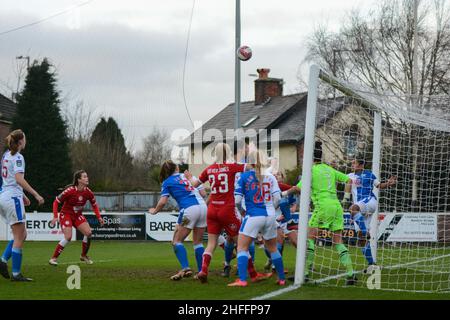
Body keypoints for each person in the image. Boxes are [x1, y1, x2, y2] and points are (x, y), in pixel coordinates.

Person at [185, 142, 267, 283]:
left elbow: (194, 185)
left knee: (211, 243)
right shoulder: (231, 167)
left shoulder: (209, 169)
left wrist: (188, 181)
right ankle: (253, 274)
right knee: (241, 244)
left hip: (212, 210)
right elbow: (250, 167)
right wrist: (254, 155)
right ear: (228, 152)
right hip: (227, 209)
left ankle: (204, 270)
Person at [283, 141, 357, 285]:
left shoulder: (311, 171)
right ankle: (350, 273)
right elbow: (349, 180)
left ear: (310, 158)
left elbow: (298, 188)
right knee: (338, 242)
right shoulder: (330, 169)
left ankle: (305, 273)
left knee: (309, 239)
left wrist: (283, 193)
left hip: (322, 207)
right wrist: (346, 199)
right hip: (337, 206)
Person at [228, 150, 286, 287]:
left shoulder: (244, 176)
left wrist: (242, 211)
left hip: (253, 215)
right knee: (273, 248)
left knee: (242, 247)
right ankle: (282, 279)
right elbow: (278, 198)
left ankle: (242, 280)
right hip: (270, 216)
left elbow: (237, 200)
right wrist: (272, 208)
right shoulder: (271, 177)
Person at [149, 160, 207, 280]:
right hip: (203, 208)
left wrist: (154, 211)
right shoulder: (188, 176)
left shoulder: (167, 182)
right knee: (198, 242)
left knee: (176, 241)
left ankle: (185, 268)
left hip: (189, 209)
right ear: (176, 168)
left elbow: (163, 201)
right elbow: (203, 193)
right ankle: (202, 271)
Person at [0, 129, 44, 281]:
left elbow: (9, 180)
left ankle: (3, 261)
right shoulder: (18, 157)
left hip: (5, 196)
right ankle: (16, 274)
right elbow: (18, 178)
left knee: (22, 234)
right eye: (24, 139)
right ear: (20, 142)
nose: (26, 141)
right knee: (19, 236)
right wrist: (34, 193)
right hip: (12, 199)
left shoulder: (6, 155)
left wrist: (23, 195)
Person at [342, 158, 397, 272]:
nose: (352, 165)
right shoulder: (350, 176)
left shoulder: (369, 174)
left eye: (354, 163)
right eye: (352, 163)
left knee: (353, 208)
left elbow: (379, 185)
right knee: (361, 239)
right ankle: (372, 264)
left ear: (361, 165)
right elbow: (345, 182)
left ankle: (364, 230)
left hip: (369, 202)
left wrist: (389, 183)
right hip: (360, 210)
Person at [49, 170, 104, 266]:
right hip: (66, 215)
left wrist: (99, 217)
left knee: (88, 233)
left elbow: (94, 205)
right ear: (79, 180)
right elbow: (56, 202)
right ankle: (53, 258)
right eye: (84, 177)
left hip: (77, 215)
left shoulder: (88, 192)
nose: (87, 178)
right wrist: (55, 216)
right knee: (68, 237)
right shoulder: (70, 191)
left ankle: (83, 255)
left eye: (87, 176)